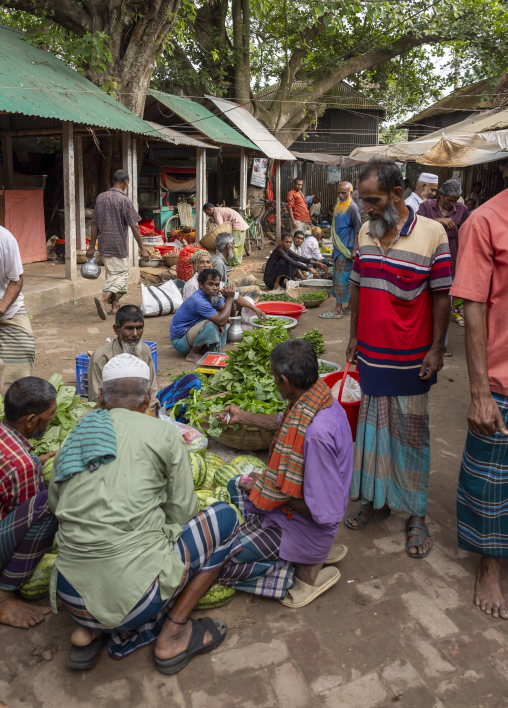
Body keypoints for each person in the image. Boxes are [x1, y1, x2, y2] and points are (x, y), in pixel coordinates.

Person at [48, 353, 241, 671]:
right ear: (149, 398)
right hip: (135, 599)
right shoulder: (164, 434)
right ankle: (173, 636)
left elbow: (56, 505)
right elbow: (182, 512)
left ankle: (89, 631)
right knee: (226, 518)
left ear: (100, 397)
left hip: (70, 594)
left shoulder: (75, 436)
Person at [344, 158, 452, 558]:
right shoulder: (364, 234)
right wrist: (354, 334)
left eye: (372, 200)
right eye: (363, 199)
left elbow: (442, 295)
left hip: (411, 357)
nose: (366, 207)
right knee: (372, 433)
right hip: (372, 353)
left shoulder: (432, 233)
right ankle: (375, 499)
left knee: (410, 437)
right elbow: (356, 285)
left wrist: (437, 348)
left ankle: (416, 513)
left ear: (394, 194)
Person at [216, 339, 353, 606]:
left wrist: (265, 489)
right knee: (235, 482)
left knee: (221, 562)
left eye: (274, 379)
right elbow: (281, 420)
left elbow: (324, 511)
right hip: (293, 510)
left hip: (307, 527)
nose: (274, 383)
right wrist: (243, 417)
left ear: (285, 381)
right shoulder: (315, 398)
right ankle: (298, 556)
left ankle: (293, 577)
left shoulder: (316, 435)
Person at [451, 188, 508, 619]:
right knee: (488, 481)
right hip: (501, 379)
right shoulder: (485, 221)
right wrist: (479, 393)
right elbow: (472, 308)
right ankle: (489, 562)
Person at [0, 377, 58, 629]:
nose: (53, 419)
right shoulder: (22, 466)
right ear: (31, 420)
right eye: (51, 414)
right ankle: (3, 596)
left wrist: (37, 461)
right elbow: (27, 520)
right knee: (50, 503)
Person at [87, 169, 150, 321]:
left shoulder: (101, 197)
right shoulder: (124, 200)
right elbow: (134, 226)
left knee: (111, 275)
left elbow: (94, 223)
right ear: (126, 182)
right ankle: (104, 297)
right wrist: (143, 248)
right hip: (118, 244)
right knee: (123, 275)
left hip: (103, 243)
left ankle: (114, 306)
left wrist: (91, 245)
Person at [418, 178, 470, 357]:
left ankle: (442, 345)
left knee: (444, 304)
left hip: (449, 263)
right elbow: (416, 224)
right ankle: (422, 342)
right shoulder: (426, 207)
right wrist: (438, 221)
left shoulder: (462, 210)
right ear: (441, 195)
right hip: (425, 261)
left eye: (455, 200)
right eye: (449, 200)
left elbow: (469, 232)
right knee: (424, 302)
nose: (452, 203)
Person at [88, 305, 159, 414]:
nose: (135, 334)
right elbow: (96, 399)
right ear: (117, 330)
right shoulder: (101, 357)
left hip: (142, 412)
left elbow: (152, 389)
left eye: (139, 328)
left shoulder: (145, 350)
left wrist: (151, 414)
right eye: (129, 328)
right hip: (112, 416)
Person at [170, 268, 235, 363]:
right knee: (213, 322)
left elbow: (231, 314)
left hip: (191, 335)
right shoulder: (198, 300)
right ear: (201, 285)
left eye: (217, 284)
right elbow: (221, 321)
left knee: (222, 315)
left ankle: (207, 349)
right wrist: (229, 299)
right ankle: (192, 354)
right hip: (180, 341)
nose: (215, 288)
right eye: (210, 284)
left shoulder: (211, 296)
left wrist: (230, 299)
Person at [0, 227, 36, 387]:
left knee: (24, 348)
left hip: (8, 309)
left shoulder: (5, 239)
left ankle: (11, 405)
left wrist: (1, 309)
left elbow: (16, 281)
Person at [321, 181, 361, 320]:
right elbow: (337, 230)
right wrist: (334, 249)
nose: (341, 195)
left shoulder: (352, 208)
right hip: (339, 250)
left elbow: (358, 231)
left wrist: (355, 249)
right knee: (347, 279)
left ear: (350, 193)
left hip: (347, 251)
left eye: (344, 193)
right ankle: (349, 307)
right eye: (339, 192)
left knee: (340, 280)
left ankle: (338, 310)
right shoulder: (339, 207)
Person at [211, 233, 260, 300]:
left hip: (226, 285)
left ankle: (244, 301)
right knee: (256, 290)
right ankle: (242, 307)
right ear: (228, 245)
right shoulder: (218, 263)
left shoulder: (219, 258)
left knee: (251, 278)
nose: (234, 247)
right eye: (233, 244)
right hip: (225, 290)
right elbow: (217, 288)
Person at [203, 203, 248, 267]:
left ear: (210, 209)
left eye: (206, 213)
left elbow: (221, 227)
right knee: (237, 246)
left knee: (232, 245)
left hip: (237, 227)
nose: (207, 215)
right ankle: (233, 264)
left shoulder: (217, 213)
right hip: (240, 226)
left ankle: (236, 264)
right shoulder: (218, 210)